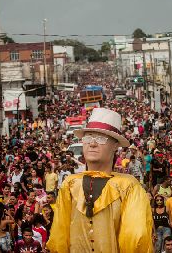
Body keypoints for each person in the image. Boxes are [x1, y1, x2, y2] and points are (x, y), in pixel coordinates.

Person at [47, 108, 153, 252]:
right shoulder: (70, 184)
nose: (92, 144)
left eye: (100, 138)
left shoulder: (128, 186)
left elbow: (135, 238)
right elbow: (60, 235)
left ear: (115, 145)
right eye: (88, 138)